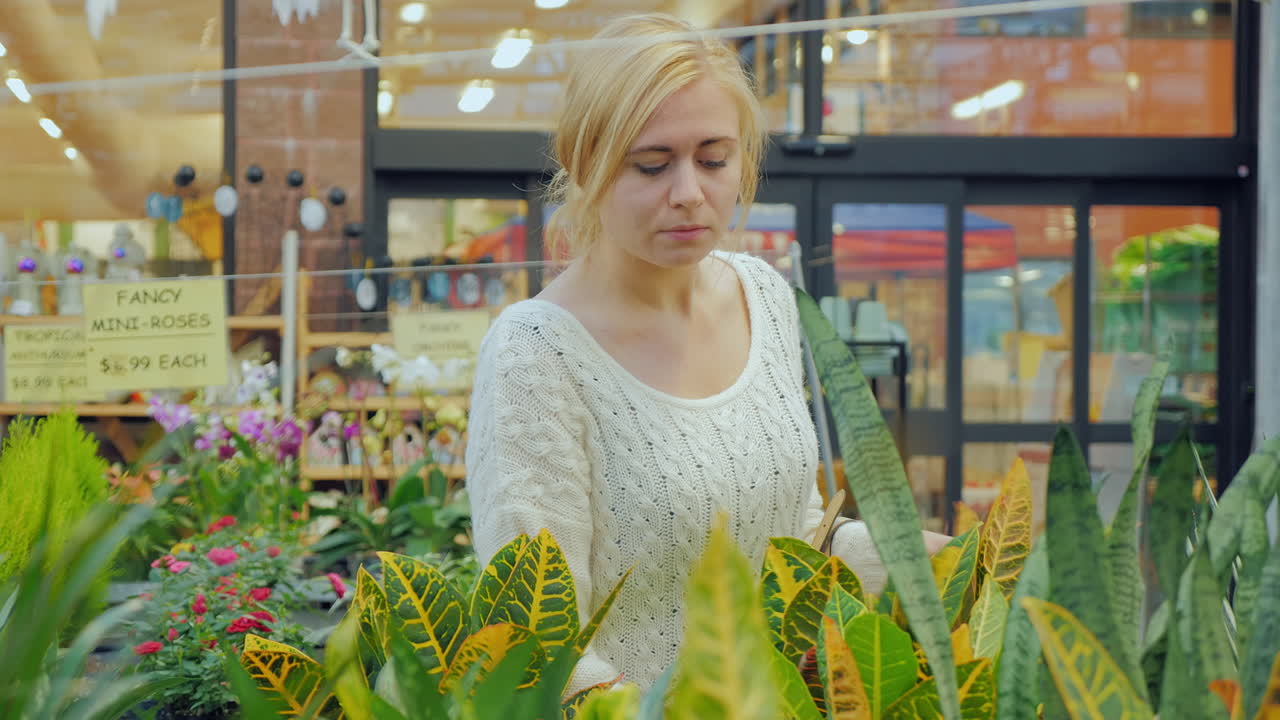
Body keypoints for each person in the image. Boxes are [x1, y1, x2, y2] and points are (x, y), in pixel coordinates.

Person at [464, 13, 949, 696]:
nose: (689, 191)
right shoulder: (536, 355)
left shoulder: (763, 298)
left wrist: (923, 559)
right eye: (652, 164)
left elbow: (794, 534)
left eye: (715, 158)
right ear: (586, 166)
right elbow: (538, 640)